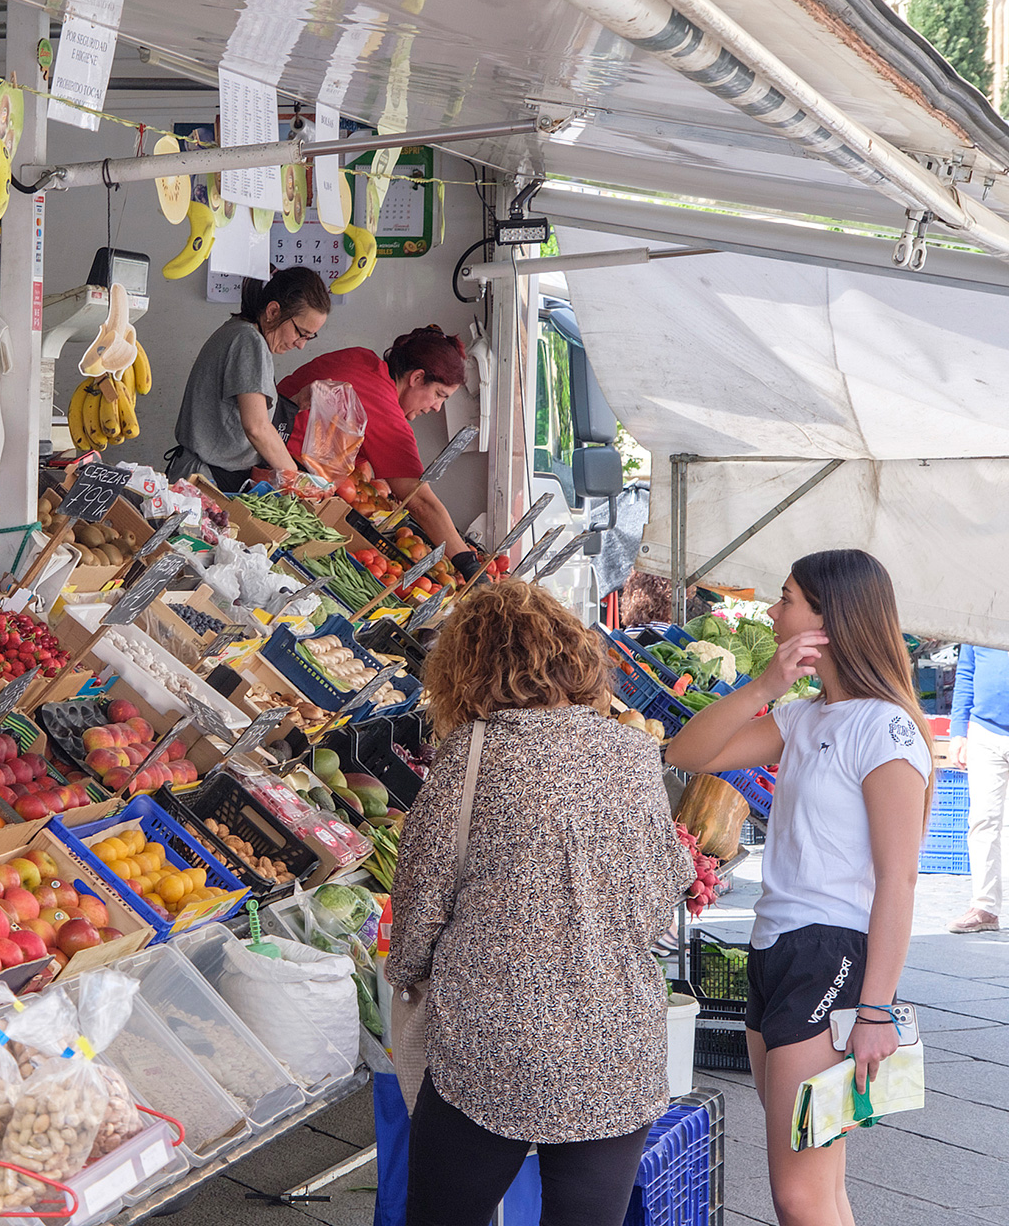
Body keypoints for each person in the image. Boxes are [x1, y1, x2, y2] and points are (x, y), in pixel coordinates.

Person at [388, 579, 691, 1226]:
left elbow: (417, 911)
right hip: (615, 1040)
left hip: (493, 1045)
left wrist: (407, 974)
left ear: (464, 668)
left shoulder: (469, 758)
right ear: (570, 656)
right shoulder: (635, 752)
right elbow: (663, 895)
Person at [666, 550, 931, 1226]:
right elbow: (687, 755)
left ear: (828, 619)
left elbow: (900, 878)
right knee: (817, 1184)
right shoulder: (807, 717)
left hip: (831, 955)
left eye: (786, 599)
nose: (772, 612)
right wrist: (762, 687)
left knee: (799, 1192)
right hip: (776, 947)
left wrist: (876, 1010)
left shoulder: (886, 727)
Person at [277, 324, 477, 576]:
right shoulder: (383, 407)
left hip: (265, 452)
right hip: (276, 477)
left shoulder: (362, 358)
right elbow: (420, 503)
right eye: (439, 395)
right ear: (416, 378)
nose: (437, 407)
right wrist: (469, 565)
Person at [162, 267, 329, 490]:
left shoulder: (241, 333)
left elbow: (241, 412)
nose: (301, 344)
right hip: (205, 479)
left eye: (311, 337)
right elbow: (257, 427)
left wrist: (296, 402)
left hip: (210, 475)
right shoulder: (248, 341)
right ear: (273, 311)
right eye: (301, 333)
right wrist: (298, 480)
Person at [944, 645, 1007, 931]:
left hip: (987, 730)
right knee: (982, 820)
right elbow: (966, 673)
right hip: (985, 731)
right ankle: (985, 907)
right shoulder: (981, 615)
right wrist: (958, 731)